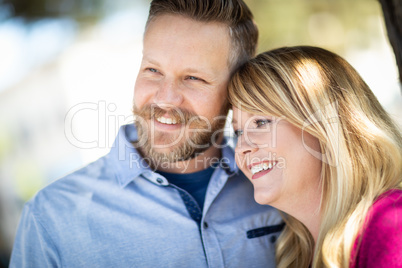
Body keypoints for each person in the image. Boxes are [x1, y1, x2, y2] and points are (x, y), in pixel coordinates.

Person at [10, 0, 283, 267]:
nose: (165, 99)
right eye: (153, 70)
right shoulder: (52, 217)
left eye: (194, 78)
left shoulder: (279, 185)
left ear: (236, 90)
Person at [229, 46, 402, 268]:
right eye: (238, 132)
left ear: (326, 126)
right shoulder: (295, 254)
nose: (242, 147)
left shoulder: (391, 226)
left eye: (261, 122)